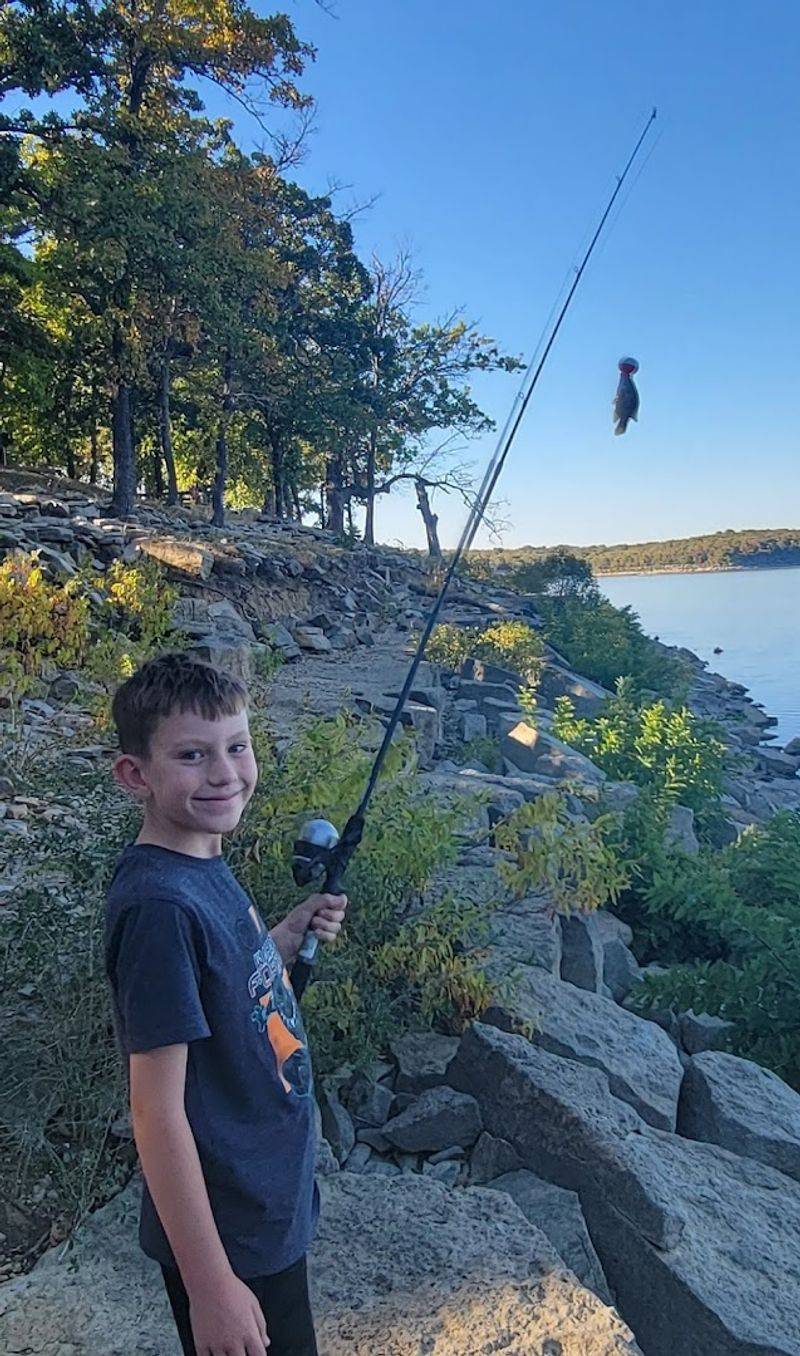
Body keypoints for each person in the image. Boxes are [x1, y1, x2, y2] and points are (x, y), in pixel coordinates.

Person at [104, 652, 347, 1356]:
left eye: (237, 747)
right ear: (135, 775)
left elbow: (224, 981)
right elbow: (155, 1111)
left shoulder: (200, 858)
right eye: (192, 754)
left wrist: (284, 937)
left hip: (262, 1204)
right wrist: (211, 1286)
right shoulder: (159, 909)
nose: (224, 773)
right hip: (230, 1229)